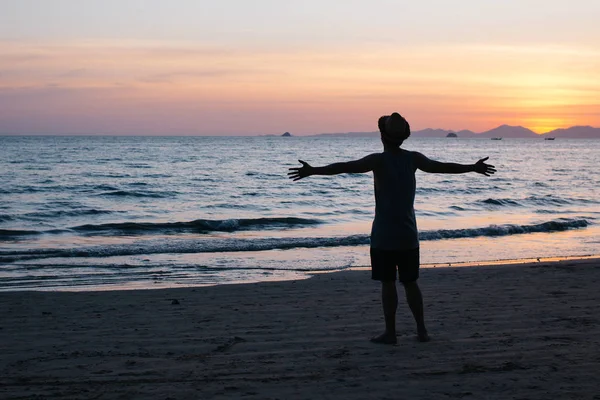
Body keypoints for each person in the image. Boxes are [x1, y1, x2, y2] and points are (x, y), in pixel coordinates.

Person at [288, 112, 496, 344]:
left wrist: (313, 170)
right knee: (410, 283)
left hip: (384, 235)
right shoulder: (413, 159)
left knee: (388, 284)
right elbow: (441, 167)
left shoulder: (378, 160)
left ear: (382, 136)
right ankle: (422, 331)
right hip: (408, 235)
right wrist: (472, 167)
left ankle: (390, 333)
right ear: (404, 136)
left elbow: (345, 166)